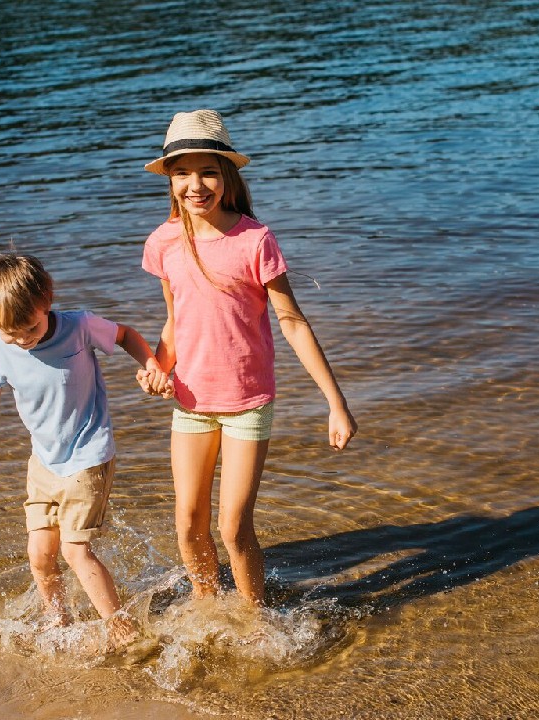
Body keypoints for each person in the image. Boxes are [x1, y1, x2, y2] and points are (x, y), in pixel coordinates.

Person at [137, 109, 357, 607]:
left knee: (233, 529)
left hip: (248, 402)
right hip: (191, 400)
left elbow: (293, 321)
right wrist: (157, 366)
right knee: (187, 523)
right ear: (169, 180)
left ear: (227, 176)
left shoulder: (255, 240)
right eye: (182, 173)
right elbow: (176, 322)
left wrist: (335, 403)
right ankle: (206, 605)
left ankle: (255, 620)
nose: (196, 184)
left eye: (208, 171)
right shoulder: (163, 243)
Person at [0, 252, 171, 647]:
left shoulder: (78, 327)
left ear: (46, 300)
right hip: (43, 461)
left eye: (29, 327)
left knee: (75, 550)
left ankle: (121, 628)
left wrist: (153, 366)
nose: (23, 339)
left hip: (88, 454)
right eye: (11, 333)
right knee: (40, 553)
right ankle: (57, 619)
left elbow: (125, 334)